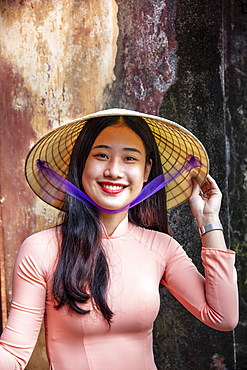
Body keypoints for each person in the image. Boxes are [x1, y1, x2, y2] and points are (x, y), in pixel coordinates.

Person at [0, 109, 238, 369]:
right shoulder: (40, 250)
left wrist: (208, 220)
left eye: (129, 159)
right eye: (101, 155)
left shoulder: (161, 247)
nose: (114, 171)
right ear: (81, 164)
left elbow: (223, 317)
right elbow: (13, 354)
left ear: (147, 170)